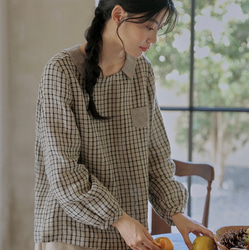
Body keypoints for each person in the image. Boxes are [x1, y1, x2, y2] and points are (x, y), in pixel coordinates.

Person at [34, 0, 214, 250]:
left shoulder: (142, 72)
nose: (154, 39)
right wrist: (118, 218)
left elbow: (155, 155)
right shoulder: (62, 72)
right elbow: (64, 173)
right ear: (118, 14)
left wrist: (177, 214)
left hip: (130, 236)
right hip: (73, 236)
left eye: (158, 29)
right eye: (149, 27)